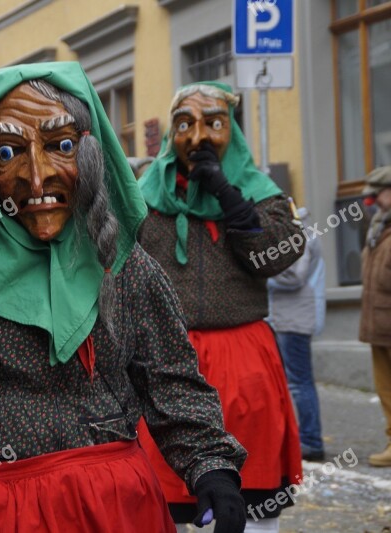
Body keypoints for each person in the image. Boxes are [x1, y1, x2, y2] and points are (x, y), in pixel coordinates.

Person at [0, 63, 246, 533]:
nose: (37, 178)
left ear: (91, 152)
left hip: (119, 506)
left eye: (60, 146)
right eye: (9, 152)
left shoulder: (122, 262)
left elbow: (170, 376)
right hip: (5, 512)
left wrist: (211, 463)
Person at [137, 81, 304, 532]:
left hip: (244, 361)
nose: (197, 138)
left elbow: (276, 254)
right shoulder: (144, 197)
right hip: (168, 364)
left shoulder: (259, 191)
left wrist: (226, 192)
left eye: (213, 124)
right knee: (167, 495)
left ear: (232, 129)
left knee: (250, 498)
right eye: (184, 125)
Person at [268, 206, 326, 461]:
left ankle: (311, 441)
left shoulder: (299, 233)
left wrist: (260, 274)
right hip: (286, 318)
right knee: (293, 383)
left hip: (294, 319)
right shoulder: (296, 231)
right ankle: (301, 439)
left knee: (299, 383)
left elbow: (294, 277)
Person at [359, 166, 391, 467]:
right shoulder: (378, 229)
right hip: (379, 325)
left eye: (377, 194)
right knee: (386, 389)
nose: (372, 202)